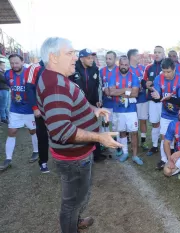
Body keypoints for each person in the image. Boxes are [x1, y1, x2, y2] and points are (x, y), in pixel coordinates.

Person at [37, 37, 121, 233]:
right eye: (70, 53)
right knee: (72, 202)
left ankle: (75, 220)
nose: (75, 57)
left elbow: (73, 104)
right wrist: (100, 137)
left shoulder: (56, 78)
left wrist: (92, 110)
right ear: (53, 57)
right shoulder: (55, 86)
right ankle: (71, 225)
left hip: (76, 154)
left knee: (77, 197)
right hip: (73, 157)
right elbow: (61, 131)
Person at [0, 54, 39, 171]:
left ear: (22, 62)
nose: (14, 65)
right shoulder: (7, 74)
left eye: (16, 63)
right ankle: (8, 159)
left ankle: (36, 151)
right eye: (12, 63)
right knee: (11, 131)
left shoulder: (30, 73)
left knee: (32, 131)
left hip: (29, 109)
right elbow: (9, 85)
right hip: (15, 109)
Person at [150, 58, 180, 170]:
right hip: (165, 113)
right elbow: (157, 97)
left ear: (174, 69)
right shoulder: (158, 78)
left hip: (179, 114)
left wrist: (167, 98)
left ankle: (179, 160)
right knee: (164, 137)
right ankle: (164, 159)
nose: (166, 74)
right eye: (164, 71)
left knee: (178, 138)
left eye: (169, 72)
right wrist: (157, 97)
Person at [104, 56, 143, 165]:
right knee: (122, 132)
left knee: (134, 133)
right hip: (118, 110)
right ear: (119, 65)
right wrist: (126, 90)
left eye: (126, 65)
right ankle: (125, 152)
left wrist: (119, 91)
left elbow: (135, 93)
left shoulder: (134, 77)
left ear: (129, 66)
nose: (124, 67)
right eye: (122, 65)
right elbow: (111, 92)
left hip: (131, 111)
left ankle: (135, 156)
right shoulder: (113, 77)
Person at [70, 48, 105, 162]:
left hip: (93, 104)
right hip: (78, 105)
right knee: (80, 129)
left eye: (92, 57)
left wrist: (99, 99)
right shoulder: (73, 69)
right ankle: (80, 153)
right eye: (89, 58)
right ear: (81, 58)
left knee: (95, 128)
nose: (91, 60)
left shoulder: (95, 69)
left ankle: (97, 154)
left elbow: (99, 85)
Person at [25, 60, 50, 173]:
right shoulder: (35, 67)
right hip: (41, 110)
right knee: (42, 135)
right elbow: (29, 89)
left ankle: (62, 160)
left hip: (56, 108)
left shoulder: (57, 65)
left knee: (61, 133)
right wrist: (35, 108)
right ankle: (43, 162)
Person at [143, 46, 165, 156]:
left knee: (165, 124)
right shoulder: (149, 67)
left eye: (159, 52)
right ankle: (155, 146)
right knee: (155, 123)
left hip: (165, 101)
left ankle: (167, 145)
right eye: (155, 52)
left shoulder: (167, 66)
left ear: (163, 54)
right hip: (152, 100)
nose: (157, 54)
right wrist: (146, 84)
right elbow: (143, 82)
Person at [128, 49, 149, 151]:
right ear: (132, 57)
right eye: (137, 55)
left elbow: (146, 81)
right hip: (132, 100)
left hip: (142, 99)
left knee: (143, 121)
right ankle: (132, 141)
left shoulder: (142, 68)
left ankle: (143, 141)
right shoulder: (127, 69)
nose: (139, 57)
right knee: (132, 122)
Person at [100, 51, 118, 156]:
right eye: (106, 58)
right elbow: (99, 85)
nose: (107, 60)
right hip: (106, 102)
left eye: (110, 58)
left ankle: (115, 141)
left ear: (115, 59)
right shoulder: (101, 71)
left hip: (116, 103)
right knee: (105, 123)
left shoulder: (119, 71)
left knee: (115, 124)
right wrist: (103, 89)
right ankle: (105, 141)